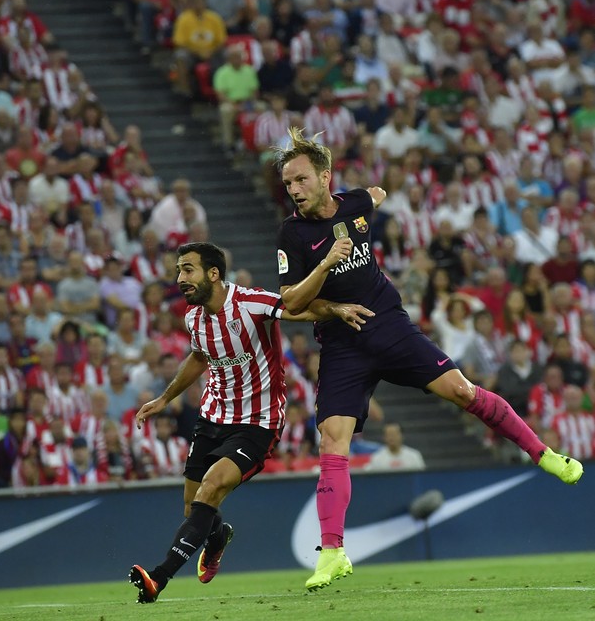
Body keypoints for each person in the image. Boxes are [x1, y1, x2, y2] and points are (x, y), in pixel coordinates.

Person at [274, 128, 584, 592]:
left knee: (462, 391)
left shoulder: (357, 204)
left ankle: (544, 454)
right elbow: (290, 303)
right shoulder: (291, 234)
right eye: (287, 184)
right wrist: (327, 278)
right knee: (331, 441)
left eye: (300, 180)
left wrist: (377, 194)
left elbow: (371, 197)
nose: (294, 190)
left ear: (324, 176)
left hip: (390, 326)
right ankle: (333, 553)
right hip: (342, 343)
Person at [129, 242, 371, 603]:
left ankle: (159, 578)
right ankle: (217, 537)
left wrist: (336, 308)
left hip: (257, 423)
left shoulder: (251, 303)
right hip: (212, 418)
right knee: (194, 506)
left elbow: (297, 308)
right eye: (179, 271)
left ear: (213, 273)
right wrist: (165, 398)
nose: (180, 279)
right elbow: (199, 356)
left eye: (188, 270)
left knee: (210, 489)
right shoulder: (193, 317)